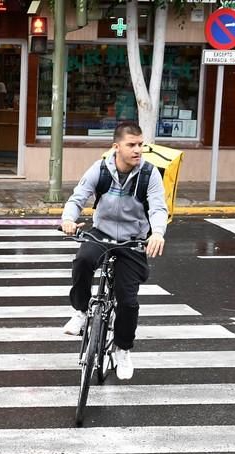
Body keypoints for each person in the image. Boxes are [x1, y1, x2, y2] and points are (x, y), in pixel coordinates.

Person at [60, 121, 167, 381]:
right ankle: (82, 311)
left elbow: (157, 208)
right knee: (83, 260)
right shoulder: (100, 169)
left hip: (132, 240)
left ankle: (122, 348)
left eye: (141, 144)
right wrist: (69, 219)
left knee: (127, 300)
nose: (138, 150)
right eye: (132, 145)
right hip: (102, 233)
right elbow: (78, 197)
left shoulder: (149, 174)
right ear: (116, 147)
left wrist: (158, 232)